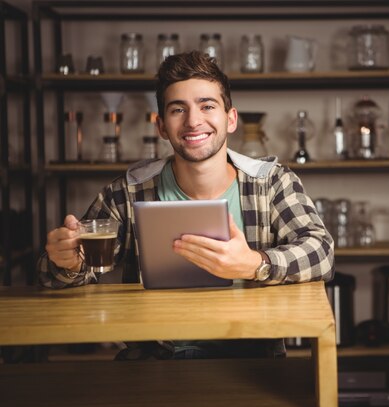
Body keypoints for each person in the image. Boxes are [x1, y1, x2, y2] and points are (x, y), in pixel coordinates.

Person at [37, 50, 335, 360]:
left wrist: (254, 264)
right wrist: (66, 263)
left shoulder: (272, 183)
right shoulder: (126, 192)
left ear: (230, 119)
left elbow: (322, 253)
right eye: (178, 109)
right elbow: (51, 278)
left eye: (207, 106)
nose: (193, 121)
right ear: (162, 126)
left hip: (253, 361)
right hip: (155, 363)